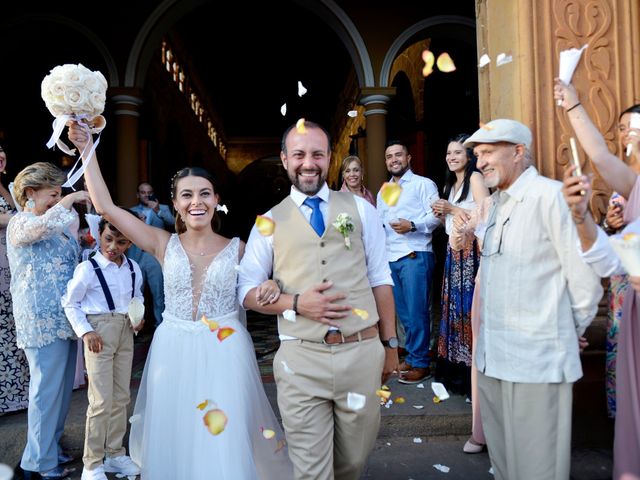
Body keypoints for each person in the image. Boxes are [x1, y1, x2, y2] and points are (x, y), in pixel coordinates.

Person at [67, 121, 293, 480]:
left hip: (226, 351)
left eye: (205, 193)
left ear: (217, 200)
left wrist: (269, 287)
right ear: (175, 203)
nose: (196, 202)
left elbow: (261, 289)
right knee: (178, 427)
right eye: (187, 195)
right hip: (173, 349)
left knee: (225, 432)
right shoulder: (161, 242)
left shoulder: (240, 250)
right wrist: (86, 149)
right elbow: (107, 208)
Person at [238, 119, 398, 480]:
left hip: (361, 352)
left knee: (352, 464)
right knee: (311, 471)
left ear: (330, 158)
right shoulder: (269, 222)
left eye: (317, 154)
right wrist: (294, 303)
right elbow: (245, 291)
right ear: (284, 159)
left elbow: (380, 279)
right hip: (300, 359)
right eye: (298, 154)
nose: (308, 163)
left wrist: (390, 344)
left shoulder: (361, 210)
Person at [451, 119, 602, 480]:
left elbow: (586, 280)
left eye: (489, 152)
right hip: (493, 361)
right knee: (505, 469)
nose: (481, 161)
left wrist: (566, 331)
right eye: (478, 154)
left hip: (537, 362)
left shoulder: (550, 197)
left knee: (538, 471)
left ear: (518, 152)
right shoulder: (497, 204)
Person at [555, 78, 640, 480]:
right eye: (625, 129)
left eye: (635, 129)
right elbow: (600, 155)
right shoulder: (634, 184)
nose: (628, 136)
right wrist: (573, 105)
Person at [7, 162, 91, 479]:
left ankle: (49, 448)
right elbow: (38, 231)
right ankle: (37, 464)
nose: (57, 200)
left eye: (60, 194)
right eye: (52, 194)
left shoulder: (53, 224)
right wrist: (70, 200)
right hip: (40, 321)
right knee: (45, 392)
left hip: (64, 319)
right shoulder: (21, 222)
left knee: (59, 391)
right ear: (30, 192)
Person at [61, 216, 145, 480]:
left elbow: (137, 295)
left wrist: (137, 315)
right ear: (99, 234)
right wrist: (85, 331)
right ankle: (92, 463)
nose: (113, 247)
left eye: (121, 242)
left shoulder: (133, 267)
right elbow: (70, 302)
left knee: (121, 397)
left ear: (130, 241)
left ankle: (115, 454)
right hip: (98, 331)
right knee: (100, 400)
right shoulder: (88, 269)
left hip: (124, 331)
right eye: (108, 239)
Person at [376, 139, 440, 384]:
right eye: (390, 156)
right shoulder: (384, 191)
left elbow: (436, 216)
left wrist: (412, 225)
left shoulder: (423, 184)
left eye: (398, 155)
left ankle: (421, 362)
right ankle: (413, 358)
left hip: (415, 253)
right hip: (391, 257)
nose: (394, 160)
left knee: (417, 312)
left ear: (408, 157)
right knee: (403, 314)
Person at [431, 134, 489, 398]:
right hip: (455, 255)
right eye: (448, 153)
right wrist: (445, 215)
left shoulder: (475, 179)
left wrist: (452, 210)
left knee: (469, 310)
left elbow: (486, 213)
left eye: (457, 152)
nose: (451, 157)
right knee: (454, 311)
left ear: (469, 156)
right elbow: (451, 224)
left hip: (472, 255)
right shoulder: (450, 184)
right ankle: (457, 371)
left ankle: (473, 377)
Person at [0, 145, 29, 414]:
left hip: (12, 264)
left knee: (12, 327)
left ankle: (18, 395)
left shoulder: (7, 187)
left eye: (1, 151)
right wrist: (14, 217)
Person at [129, 182, 173, 327]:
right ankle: (136, 326)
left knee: (158, 293)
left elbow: (174, 223)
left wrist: (158, 210)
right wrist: (136, 222)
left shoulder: (163, 208)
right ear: (137, 194)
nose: (146, 195)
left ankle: (160, 326)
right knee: (135, 294)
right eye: (143, 192)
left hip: (154, 256)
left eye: (149, 192)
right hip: (136, 255)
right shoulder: (131, 211)